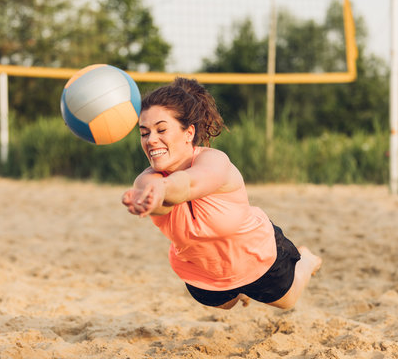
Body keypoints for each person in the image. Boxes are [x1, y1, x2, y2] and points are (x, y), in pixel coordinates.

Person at [122, 77, 321, 310]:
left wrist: (162, 189)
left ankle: (308, 260)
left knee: (287, 301)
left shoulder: (214, 161)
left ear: (188, 133)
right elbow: (162, 204)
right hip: (205, 271)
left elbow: (187, 185)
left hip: (257, 257)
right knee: (226, 304)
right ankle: (239, 292)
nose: (151, 139)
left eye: (161, 129)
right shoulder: (147, 179)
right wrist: (149, 200)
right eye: (144, 133)